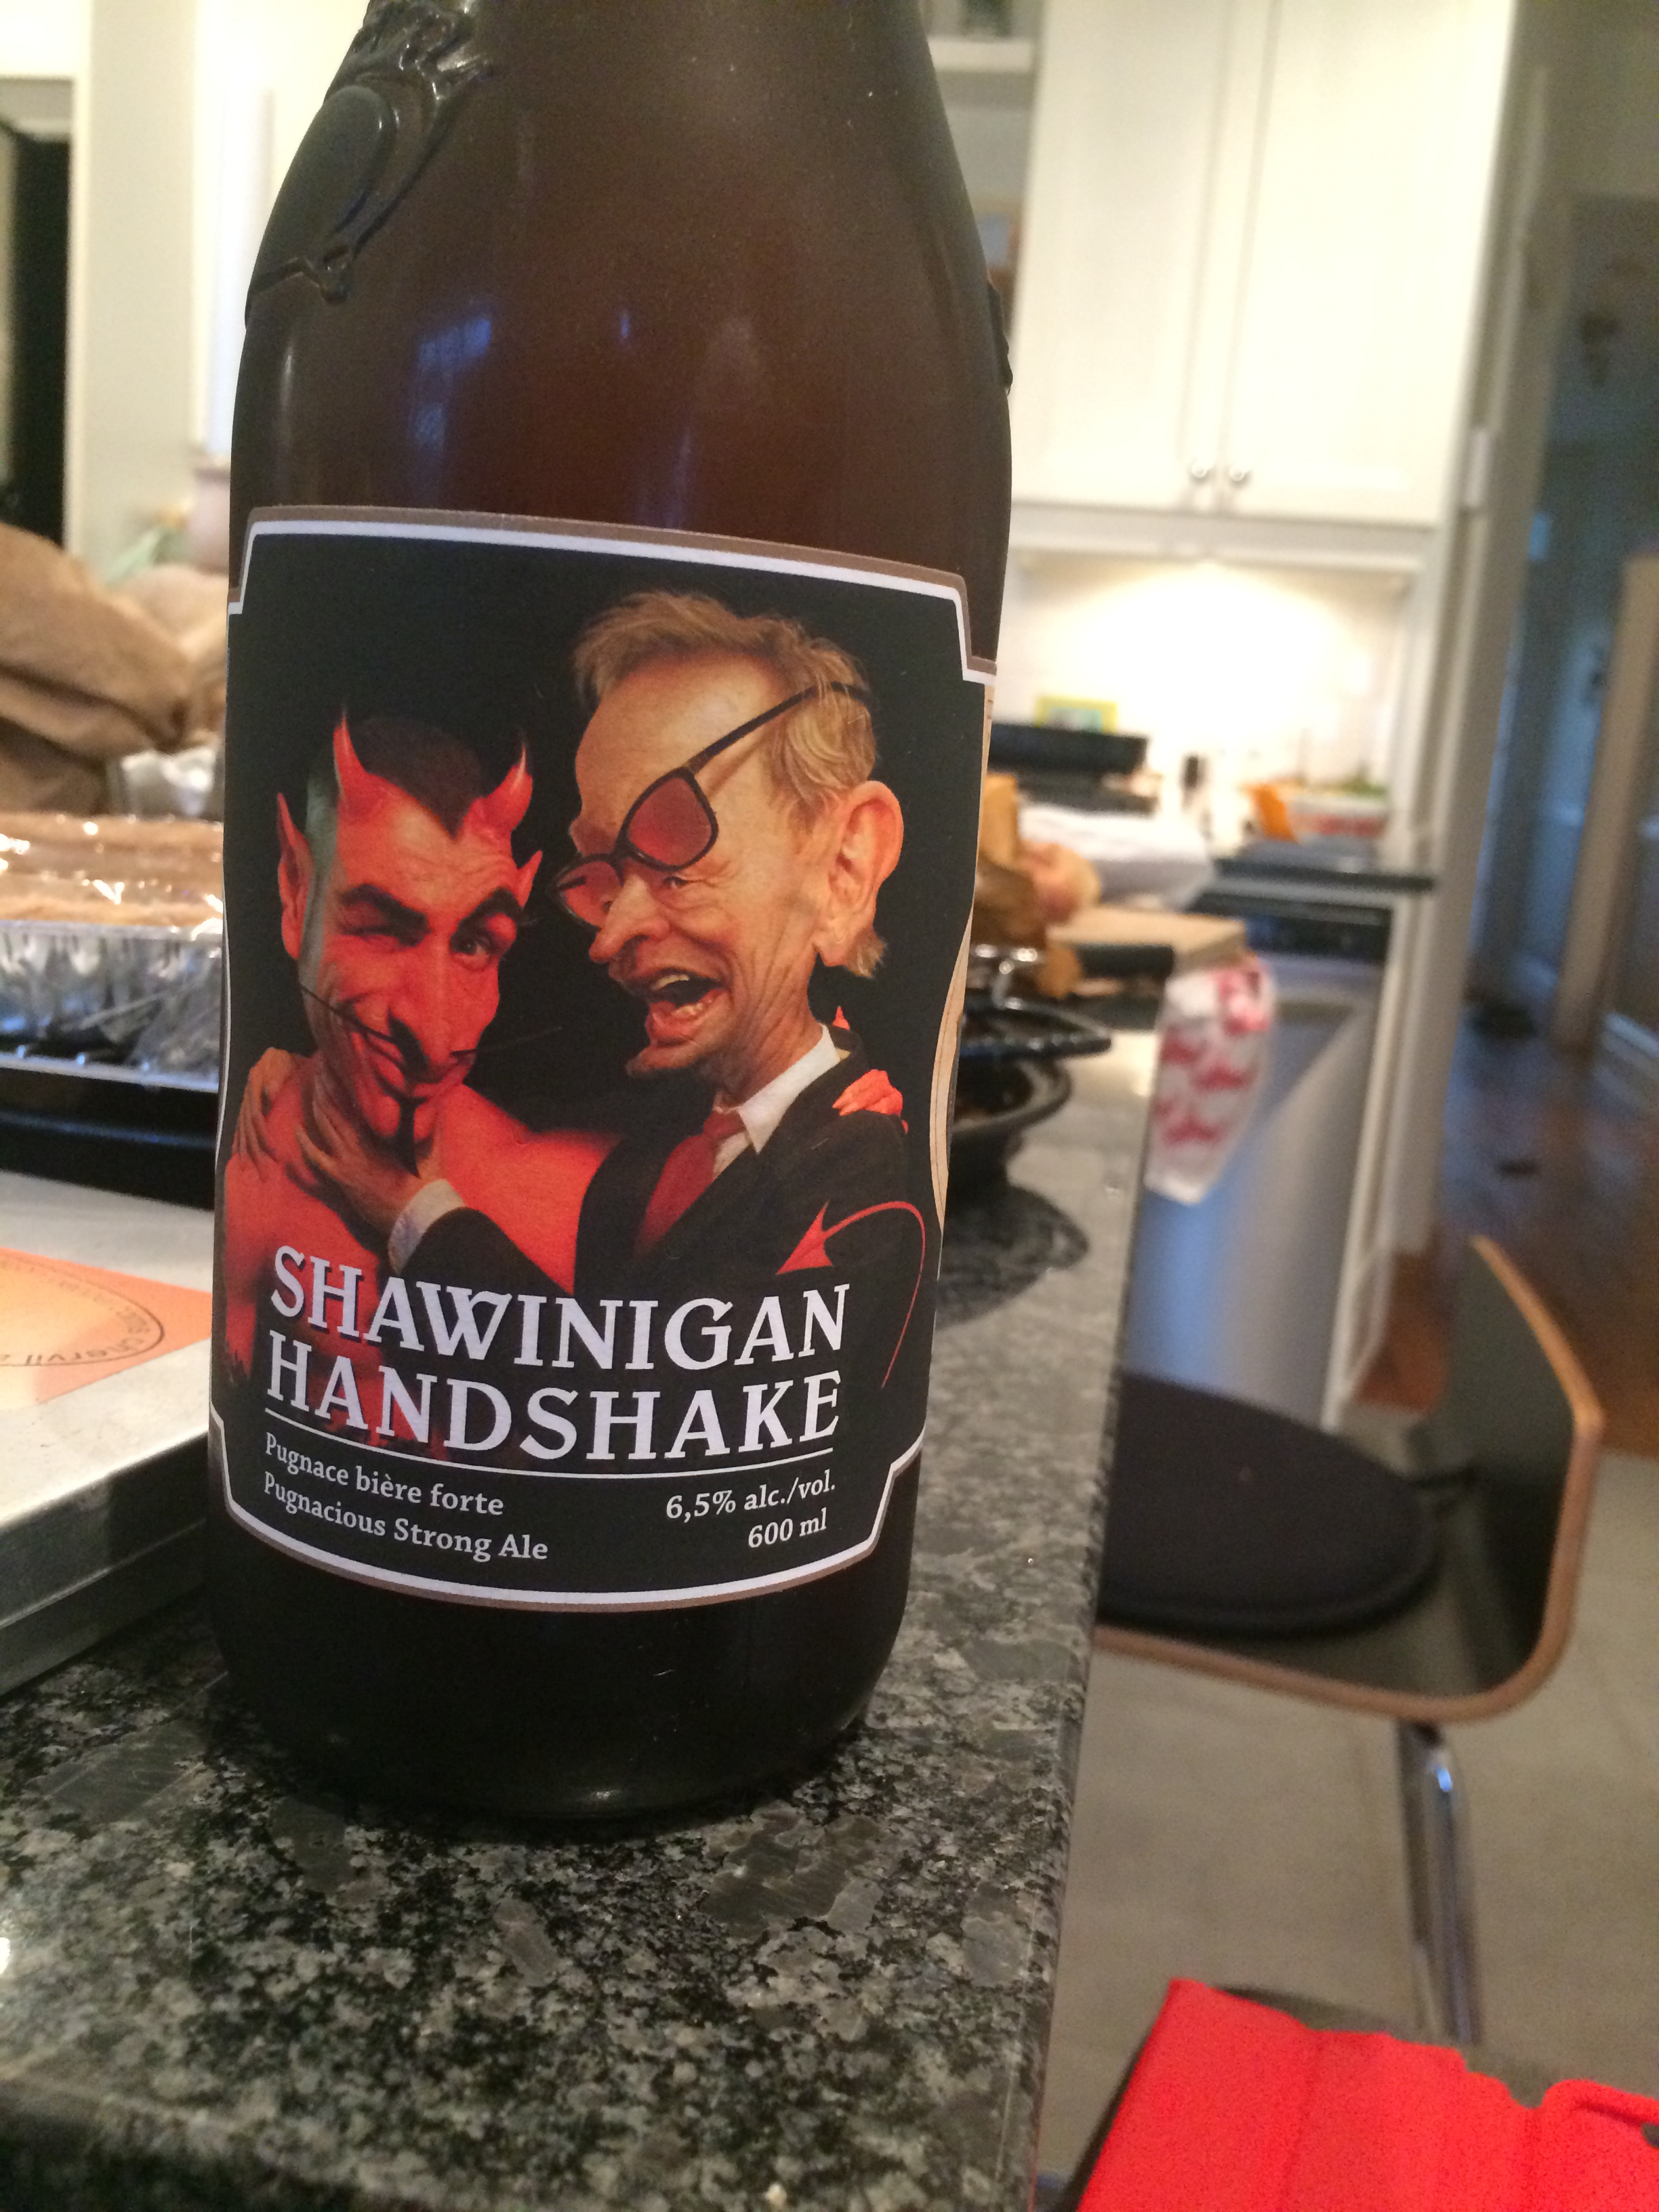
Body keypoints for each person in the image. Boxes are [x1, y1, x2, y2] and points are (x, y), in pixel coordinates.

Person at [300, 592, 920, 1389]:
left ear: (843, 869)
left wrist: (407, 1208)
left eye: (675, 852)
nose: (609, 935)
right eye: (603, 873)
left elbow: (639, 1397)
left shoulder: (861, 1167)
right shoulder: (666, 1132)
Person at [219, 714, 616, 1384]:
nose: (435, 1043)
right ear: (295, 890)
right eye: (382, 929)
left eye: (476, 943)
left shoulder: (564, 1194)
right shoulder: (258, 1159)